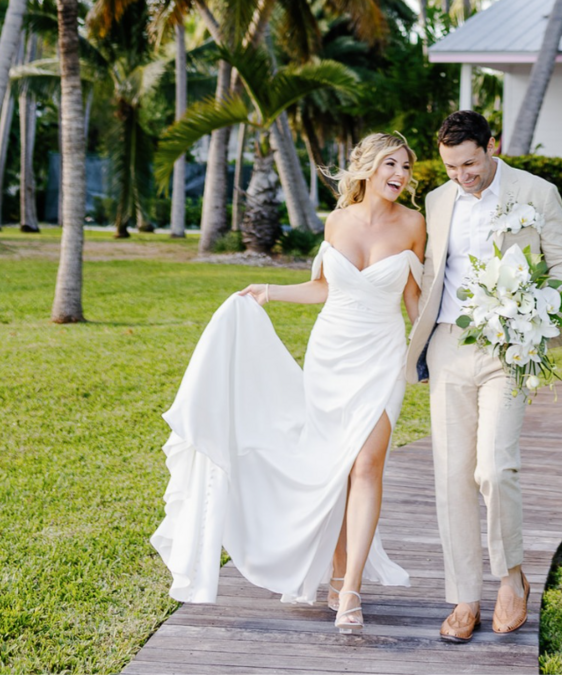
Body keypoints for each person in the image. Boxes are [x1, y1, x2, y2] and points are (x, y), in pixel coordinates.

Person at [151, 132, 426, 634]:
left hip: (381, 357)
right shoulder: (338, 221)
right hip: (329, 357)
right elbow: (325, 287)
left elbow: (413, 301)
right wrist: (269, 290)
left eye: (407, 167)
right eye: (392, 163)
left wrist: (429, 354)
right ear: (366, 167)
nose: (401, 175)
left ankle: (351, 589)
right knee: (335, 468)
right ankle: (337, 569)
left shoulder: (414, 224)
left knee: (366, 465)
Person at [404, 111, 562, 643]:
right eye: (452, 167)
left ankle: (511, 578)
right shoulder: (437, 202)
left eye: (470, 163)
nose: (462, 175)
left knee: (494, 467)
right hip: (447, 345)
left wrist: (537, 318)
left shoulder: (536, 191)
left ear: (491, 146)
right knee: (453, 475)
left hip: (512, 346)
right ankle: (464, 596)